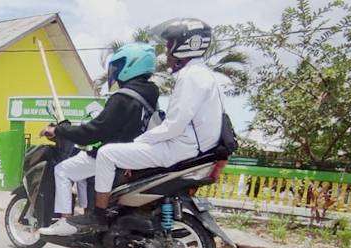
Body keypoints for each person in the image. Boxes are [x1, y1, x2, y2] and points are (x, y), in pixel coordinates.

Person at [41, 18, 224, 236]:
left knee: (102, 156)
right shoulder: (158, 90)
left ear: (186, 44)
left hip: (181, 147)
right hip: (196, 147)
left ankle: (96, 215)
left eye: (169, 45)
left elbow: (173, 126)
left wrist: (138, 143)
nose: (167, 53)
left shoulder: (186, 78)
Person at [38, 42, 160, 235]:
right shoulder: (150, 95)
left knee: (62, 170)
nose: (114, 70)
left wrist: (60, 131)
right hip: (135, 157)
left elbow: (93, 132)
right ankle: (88, 215)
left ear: (130, 66)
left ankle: (65, 222)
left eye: (118, 65)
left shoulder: (123, 98)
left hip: (112, 155)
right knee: (85, 174)